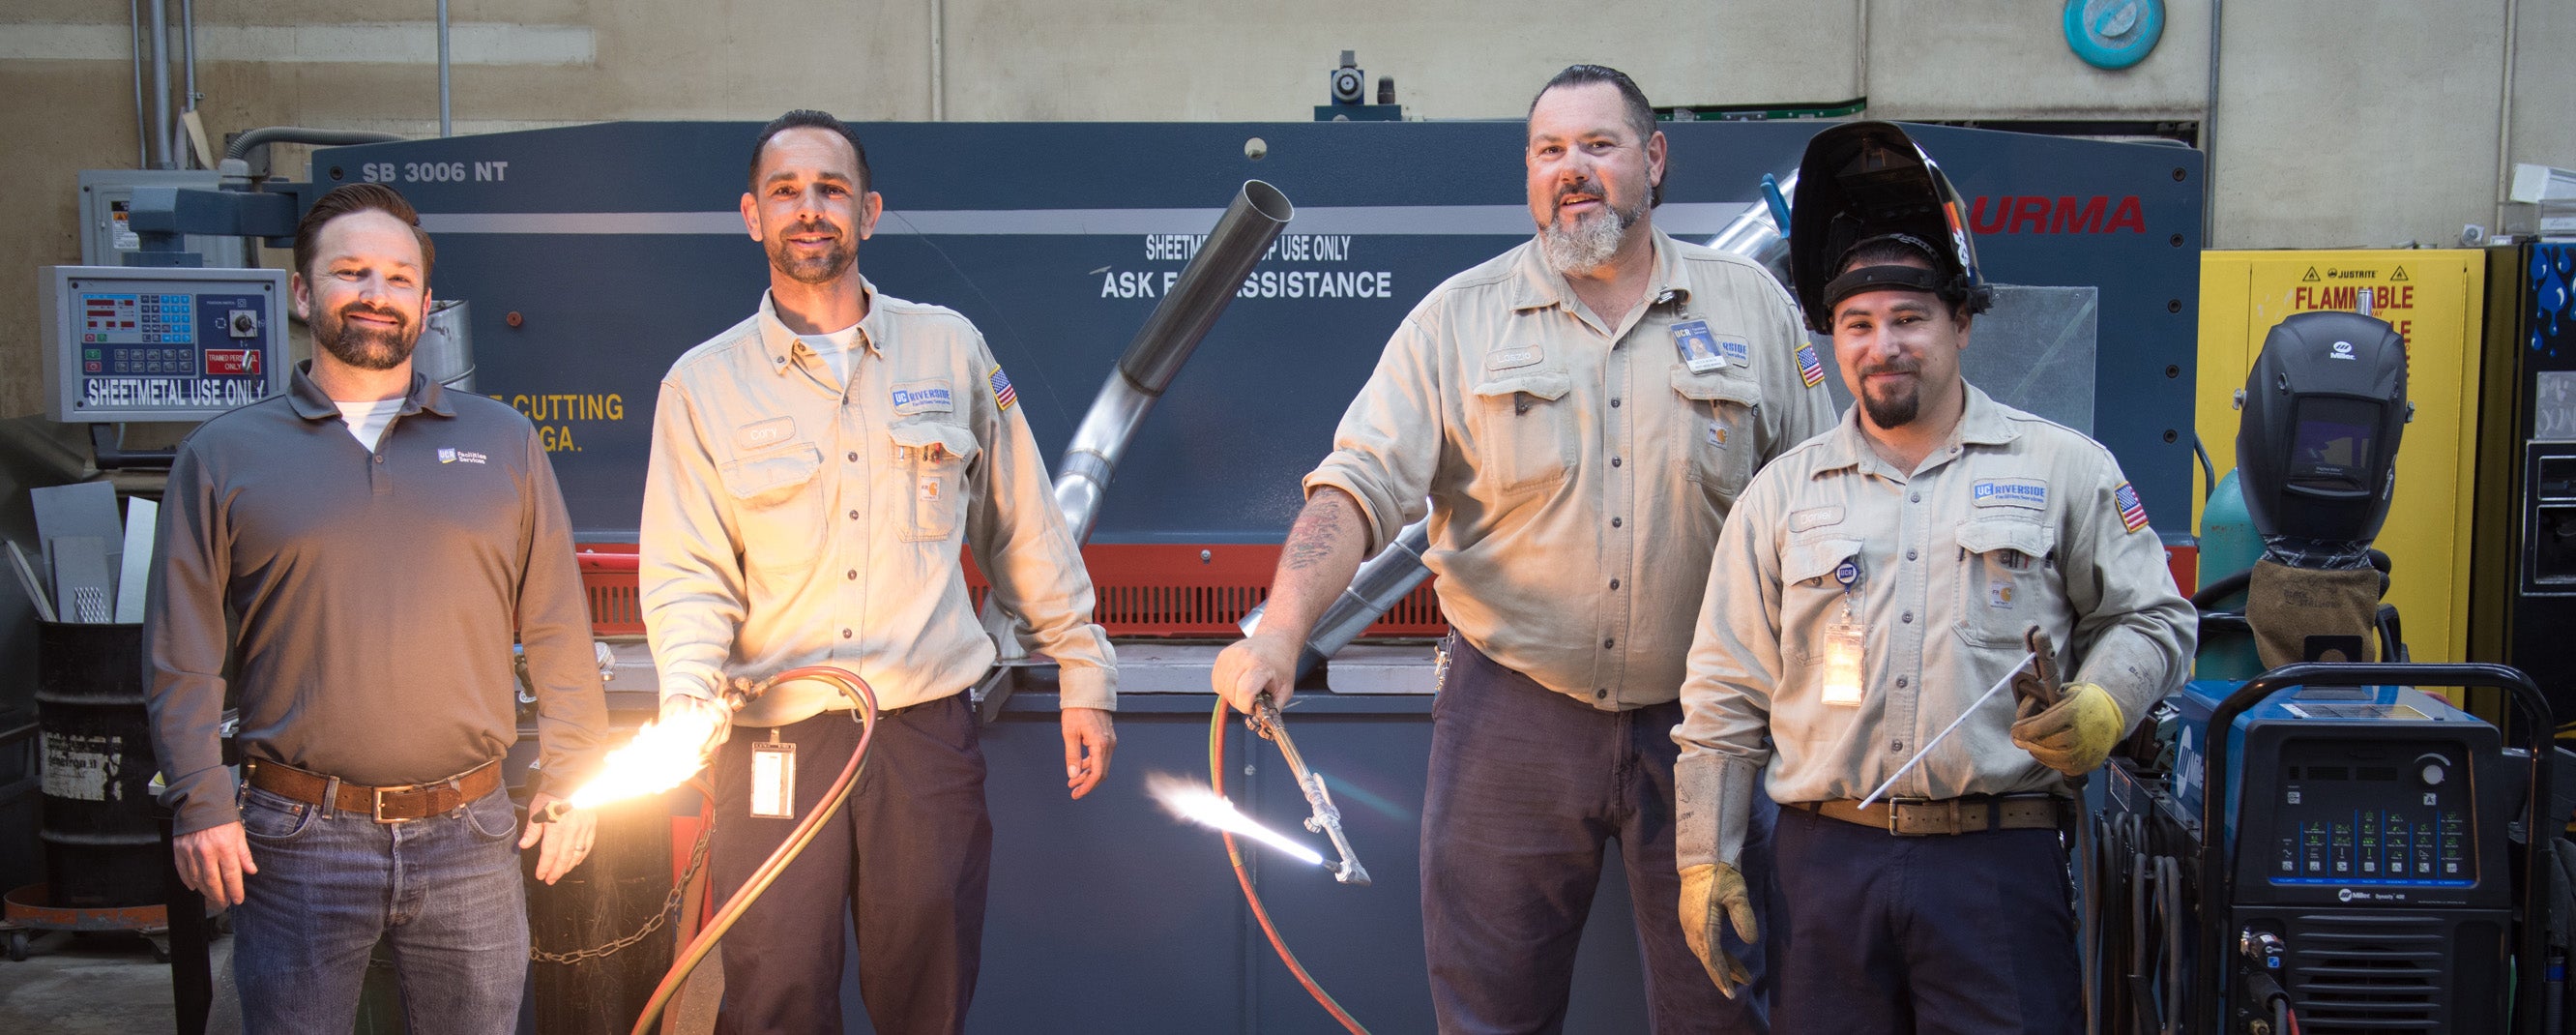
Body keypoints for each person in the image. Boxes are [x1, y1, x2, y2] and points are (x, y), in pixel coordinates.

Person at [1213, 65, 1834, 1032]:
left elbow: (1827, 511)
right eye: (1550, 151)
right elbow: (1357, 485)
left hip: (1705, 721)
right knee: (1491, 1009)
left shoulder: (1753, 309)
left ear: (1654, 159)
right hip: (1510, 720)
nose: (1572, 170)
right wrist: (1282, 629)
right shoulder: (1459, 318)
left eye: (1599, 144)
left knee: (1721, 999)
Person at [1671, 122, 2196, 1031]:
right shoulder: (1781, 498)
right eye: (1859, 325)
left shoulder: (2065, 468)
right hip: (1824, 866)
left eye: (1910, 320)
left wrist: (2107, 704)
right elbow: (1723, 691)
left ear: (1961, 322)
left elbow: (2155, 619)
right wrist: (1704, 856)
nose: (1886, 346)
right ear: (1834, 338)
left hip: (1997, 866)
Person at [640, 109, 1119, 1034]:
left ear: (870, 211)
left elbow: (1024, 529)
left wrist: (1083, 673)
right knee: (775, 990)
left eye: (831, 190)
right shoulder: (702, 386)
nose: (809, 210)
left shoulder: (949, 348)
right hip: (775, 740)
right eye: (786, 192)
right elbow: (688, 573)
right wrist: (688, 692)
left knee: (926, 992)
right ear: (752, 215)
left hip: (922, 738)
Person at [145, 182, 609, 1033]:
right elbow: (183, 651)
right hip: (296, 840)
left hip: (472, 835)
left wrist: (576, 770)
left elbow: (554, 622)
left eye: (398, 278)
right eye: (351, 272)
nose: (376, 294)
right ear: (301, 293)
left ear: (426, 304)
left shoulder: (504, 441)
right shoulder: (222, 456)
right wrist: (200, 799)